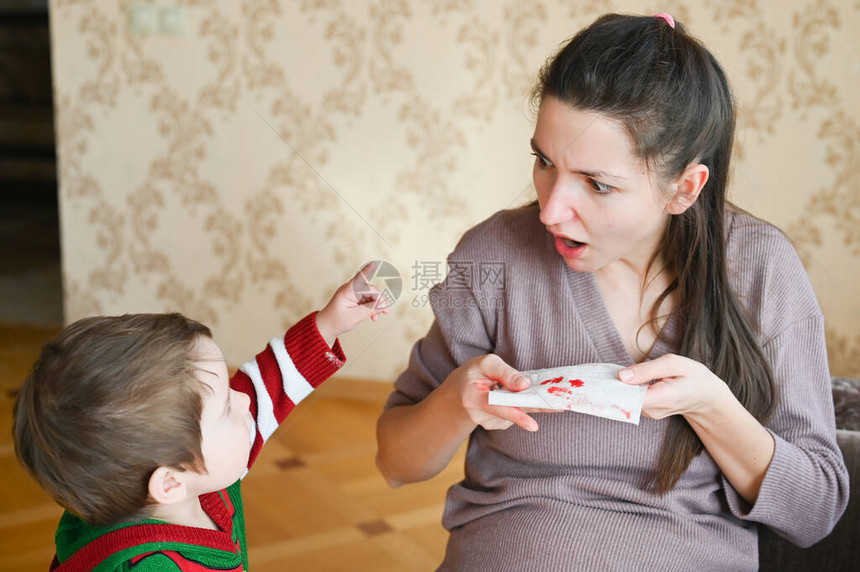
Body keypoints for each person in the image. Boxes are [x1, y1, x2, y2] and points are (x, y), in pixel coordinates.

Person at [375, 12, 849, 571]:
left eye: (598, 184)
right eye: (544, 162)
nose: (551, 211)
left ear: (684, 188)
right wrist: (458, 402)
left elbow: (816, 510)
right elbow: (395, 463)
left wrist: (710, 407)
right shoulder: (492, 257)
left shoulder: (761, 269)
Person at [14, 263, 387, 571]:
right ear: (170, 482)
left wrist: (330, 323)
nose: (243, 400)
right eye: (225, 405)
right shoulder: (149, 566)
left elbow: (267, 387)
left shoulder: (196, 472)